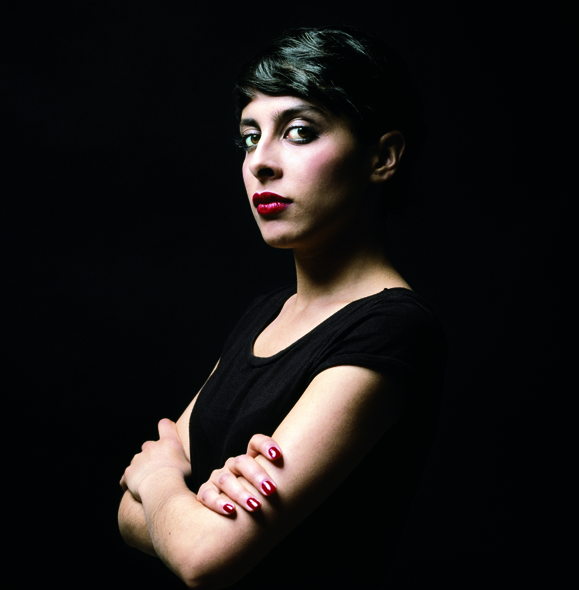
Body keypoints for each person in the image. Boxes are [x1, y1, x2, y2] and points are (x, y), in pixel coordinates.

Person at [118, 25, 446, 588]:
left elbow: (202, 556)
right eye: (250, 138)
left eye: (299, 132)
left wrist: (159, 480)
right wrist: (180, 510)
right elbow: (125, 518)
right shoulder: (266, 314)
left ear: (382, 157)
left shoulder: (392, 328)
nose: (260, 163)